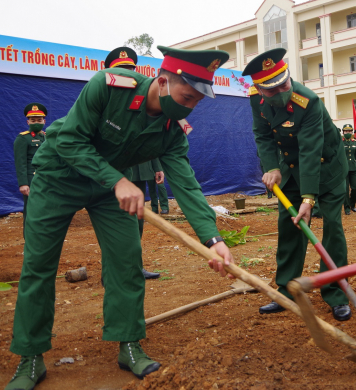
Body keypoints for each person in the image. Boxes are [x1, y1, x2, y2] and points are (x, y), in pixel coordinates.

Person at [5, 46, 235, 390]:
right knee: (38, 266)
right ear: (162, 82)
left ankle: (128, 343)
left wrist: (213, 240)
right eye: (187, 96)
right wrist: (118, 180)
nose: (191, 106)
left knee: (126, 263)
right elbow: (69, 140)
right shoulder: (109, 85)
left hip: (110, 190)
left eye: (197, 101)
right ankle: (30, 357)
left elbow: (185, 183)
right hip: (58, 178)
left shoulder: (173, 129)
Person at [243, 48, 351, 322]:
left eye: (284, 84)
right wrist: (271, 167)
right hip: (291, 167)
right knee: (288, 226)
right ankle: (287, 290)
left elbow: (311, 150)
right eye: (272, 89)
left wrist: (308, 199)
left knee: (332, 228)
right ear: (258, 88)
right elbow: (263, 134)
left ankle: (336, 293)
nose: (280, 91)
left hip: (326, 167)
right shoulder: (256, 100)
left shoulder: (309, 102)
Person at [104, 47, 164, 280]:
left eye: (131, 70)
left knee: (134, 221)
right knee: (114, 225)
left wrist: (157, 167)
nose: (128, 76)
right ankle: (111, 270)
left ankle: (134, 266)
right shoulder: (104, 100)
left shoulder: (143, 103)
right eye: (122, 71)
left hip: (138, 170)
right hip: (112, 177)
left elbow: (153, 141)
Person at [13, 103, 47, 237]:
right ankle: (30, 239)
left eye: (39, 120)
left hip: (47, 179)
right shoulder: (23, 138)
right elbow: (20, 162)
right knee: (31, 209)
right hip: (31, 179)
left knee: (45, 208)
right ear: (28, 121)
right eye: (33, 120)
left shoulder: (46, 136)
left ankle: (43, 236)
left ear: (44, 121)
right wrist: (23, 183)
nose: (36, 122)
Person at [341, 124, 356, 214]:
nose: (348, 133)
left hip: (354, 168)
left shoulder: (355, 142)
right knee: (345, 189)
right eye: (346, 131)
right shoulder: (340, 143)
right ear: (343, 132)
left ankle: (352, 204)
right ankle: (346, 208)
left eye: (349, 131)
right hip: (344, 169)